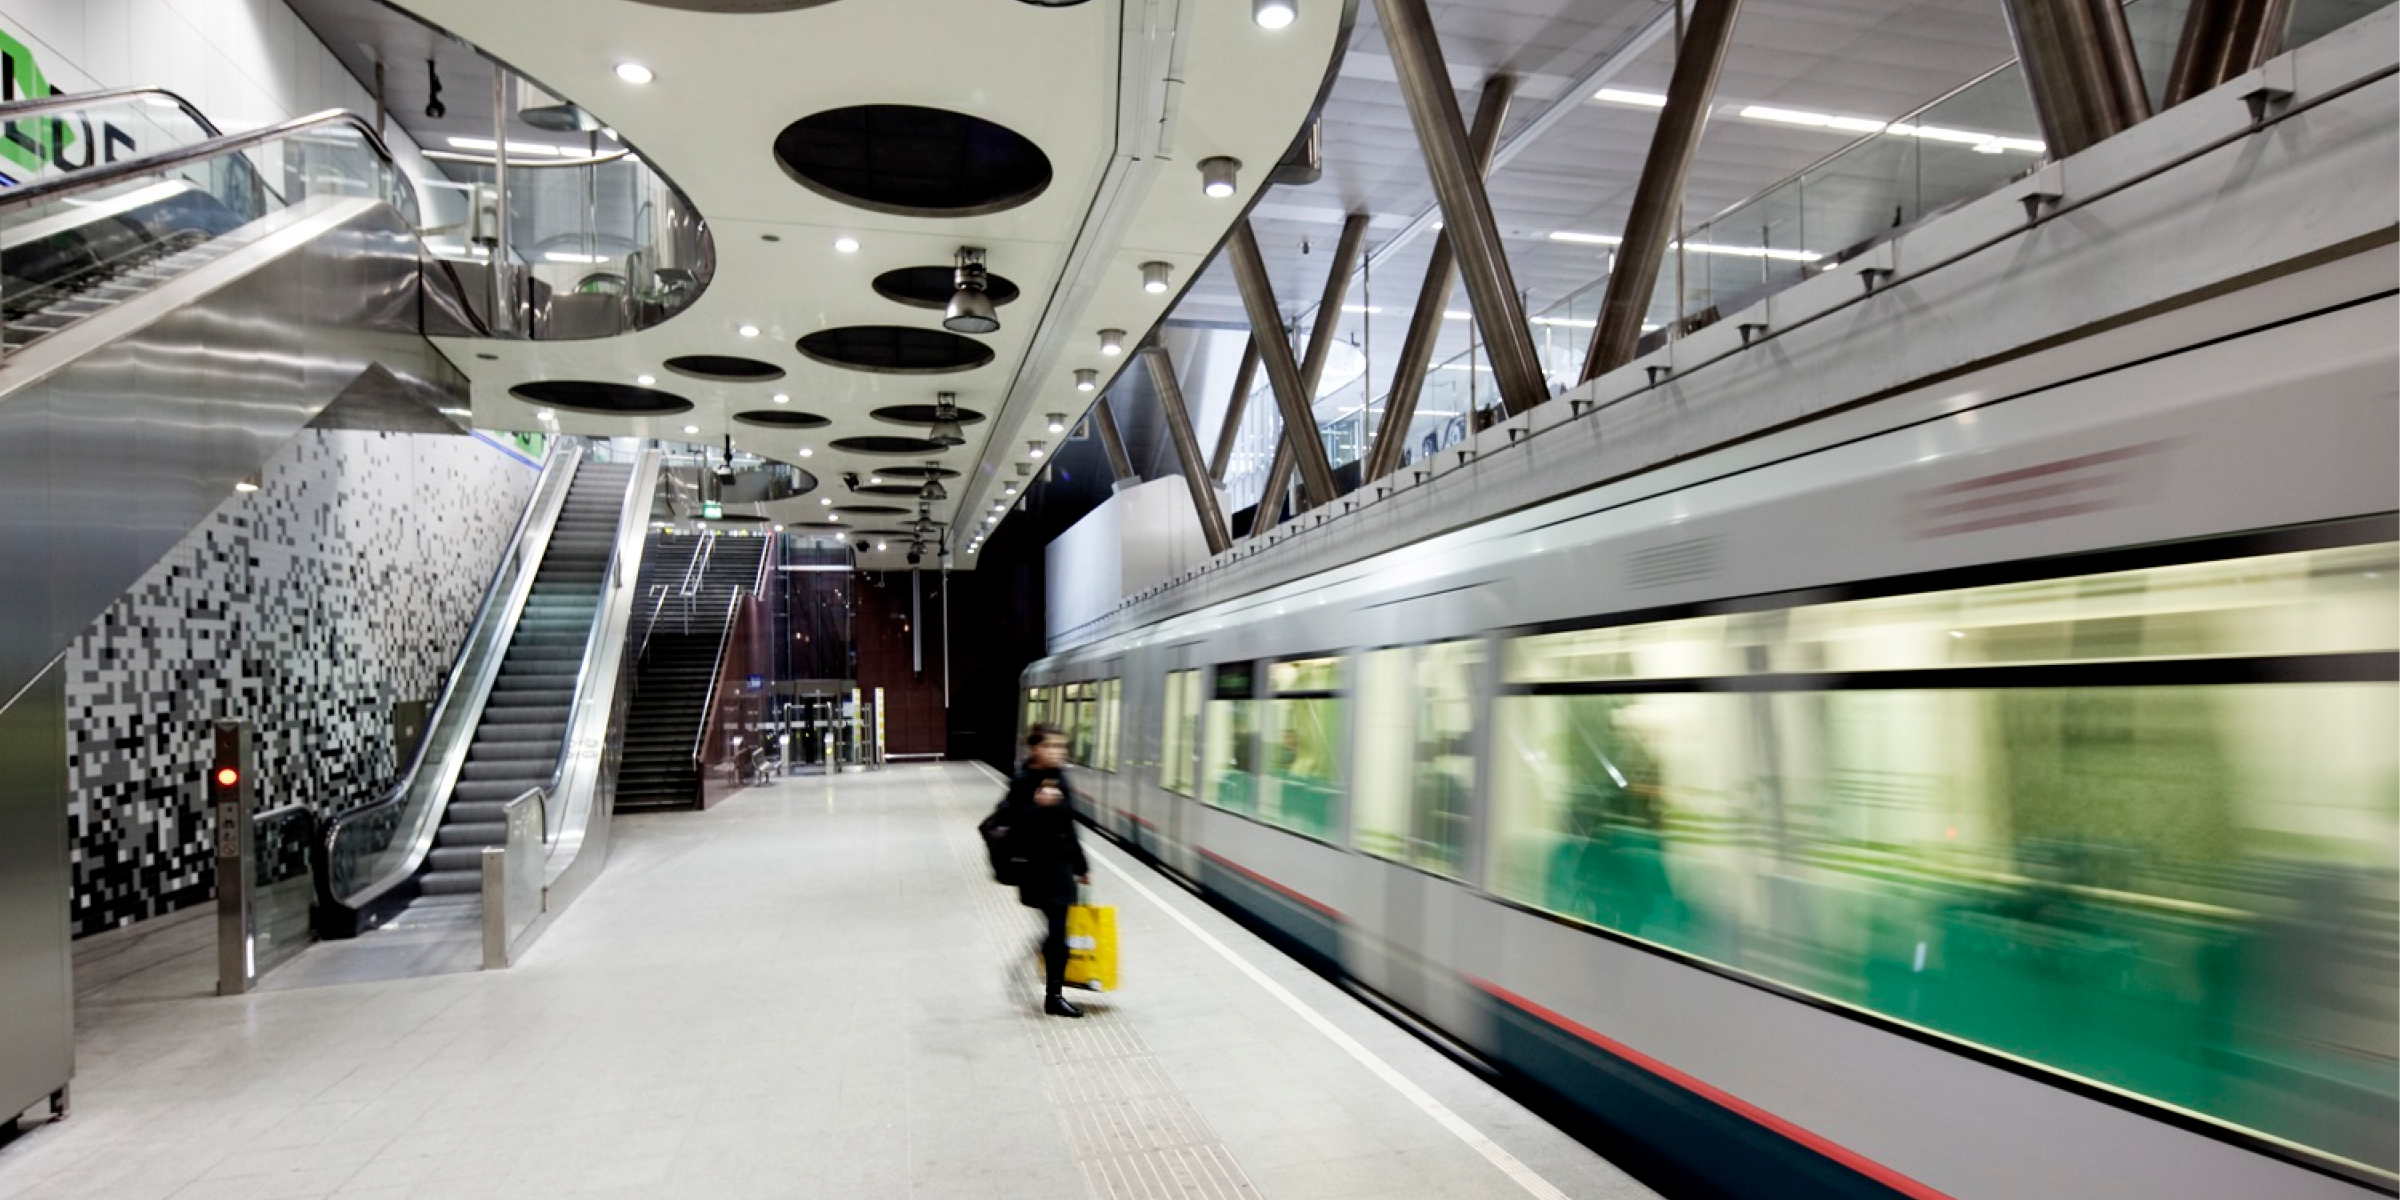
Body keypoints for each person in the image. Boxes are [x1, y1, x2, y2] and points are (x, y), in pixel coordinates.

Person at [1006, 725, 1090, 1017]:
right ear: (1034, 749)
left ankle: (1053, 990)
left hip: (1062, 866)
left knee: (1058, 930)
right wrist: (1036, 805)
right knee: (1058, 931)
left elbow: (1068, 823)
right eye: (1051, 747)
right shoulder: (1022, 782)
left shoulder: (1059, 778)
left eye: (1061, 747)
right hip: (1037, 869)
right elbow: (1010, 826)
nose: (1058, 753)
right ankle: (1053, 997)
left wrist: (1081, 864)